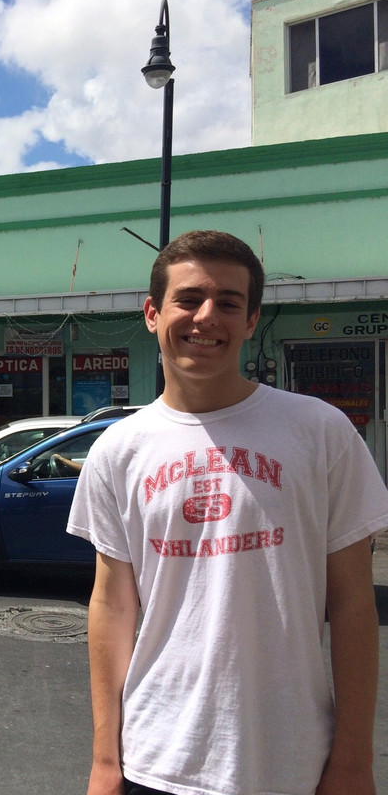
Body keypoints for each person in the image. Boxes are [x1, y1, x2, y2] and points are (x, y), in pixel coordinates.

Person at [66, 230, 387, 795]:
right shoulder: (118, 450)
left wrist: (355, 760)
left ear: (251, 320)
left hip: (293, 761)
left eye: (228, 303)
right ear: (151, 313)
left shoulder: (320, 432)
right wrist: (104, 760)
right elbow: (112, 606)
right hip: (155, 761)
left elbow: (355, 605)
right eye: (187, 299)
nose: (206, 317)